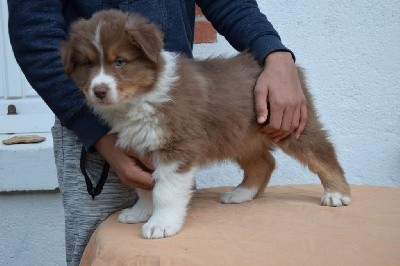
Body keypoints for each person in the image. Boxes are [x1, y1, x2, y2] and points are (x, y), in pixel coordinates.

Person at [8, 0, 307, 265]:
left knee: (175, 249)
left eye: (118, 61)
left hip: (170, 106)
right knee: (105, 254)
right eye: (89, 64)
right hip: (89, 136)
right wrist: (96, 133)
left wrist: (274, 53)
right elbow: (35, 33)